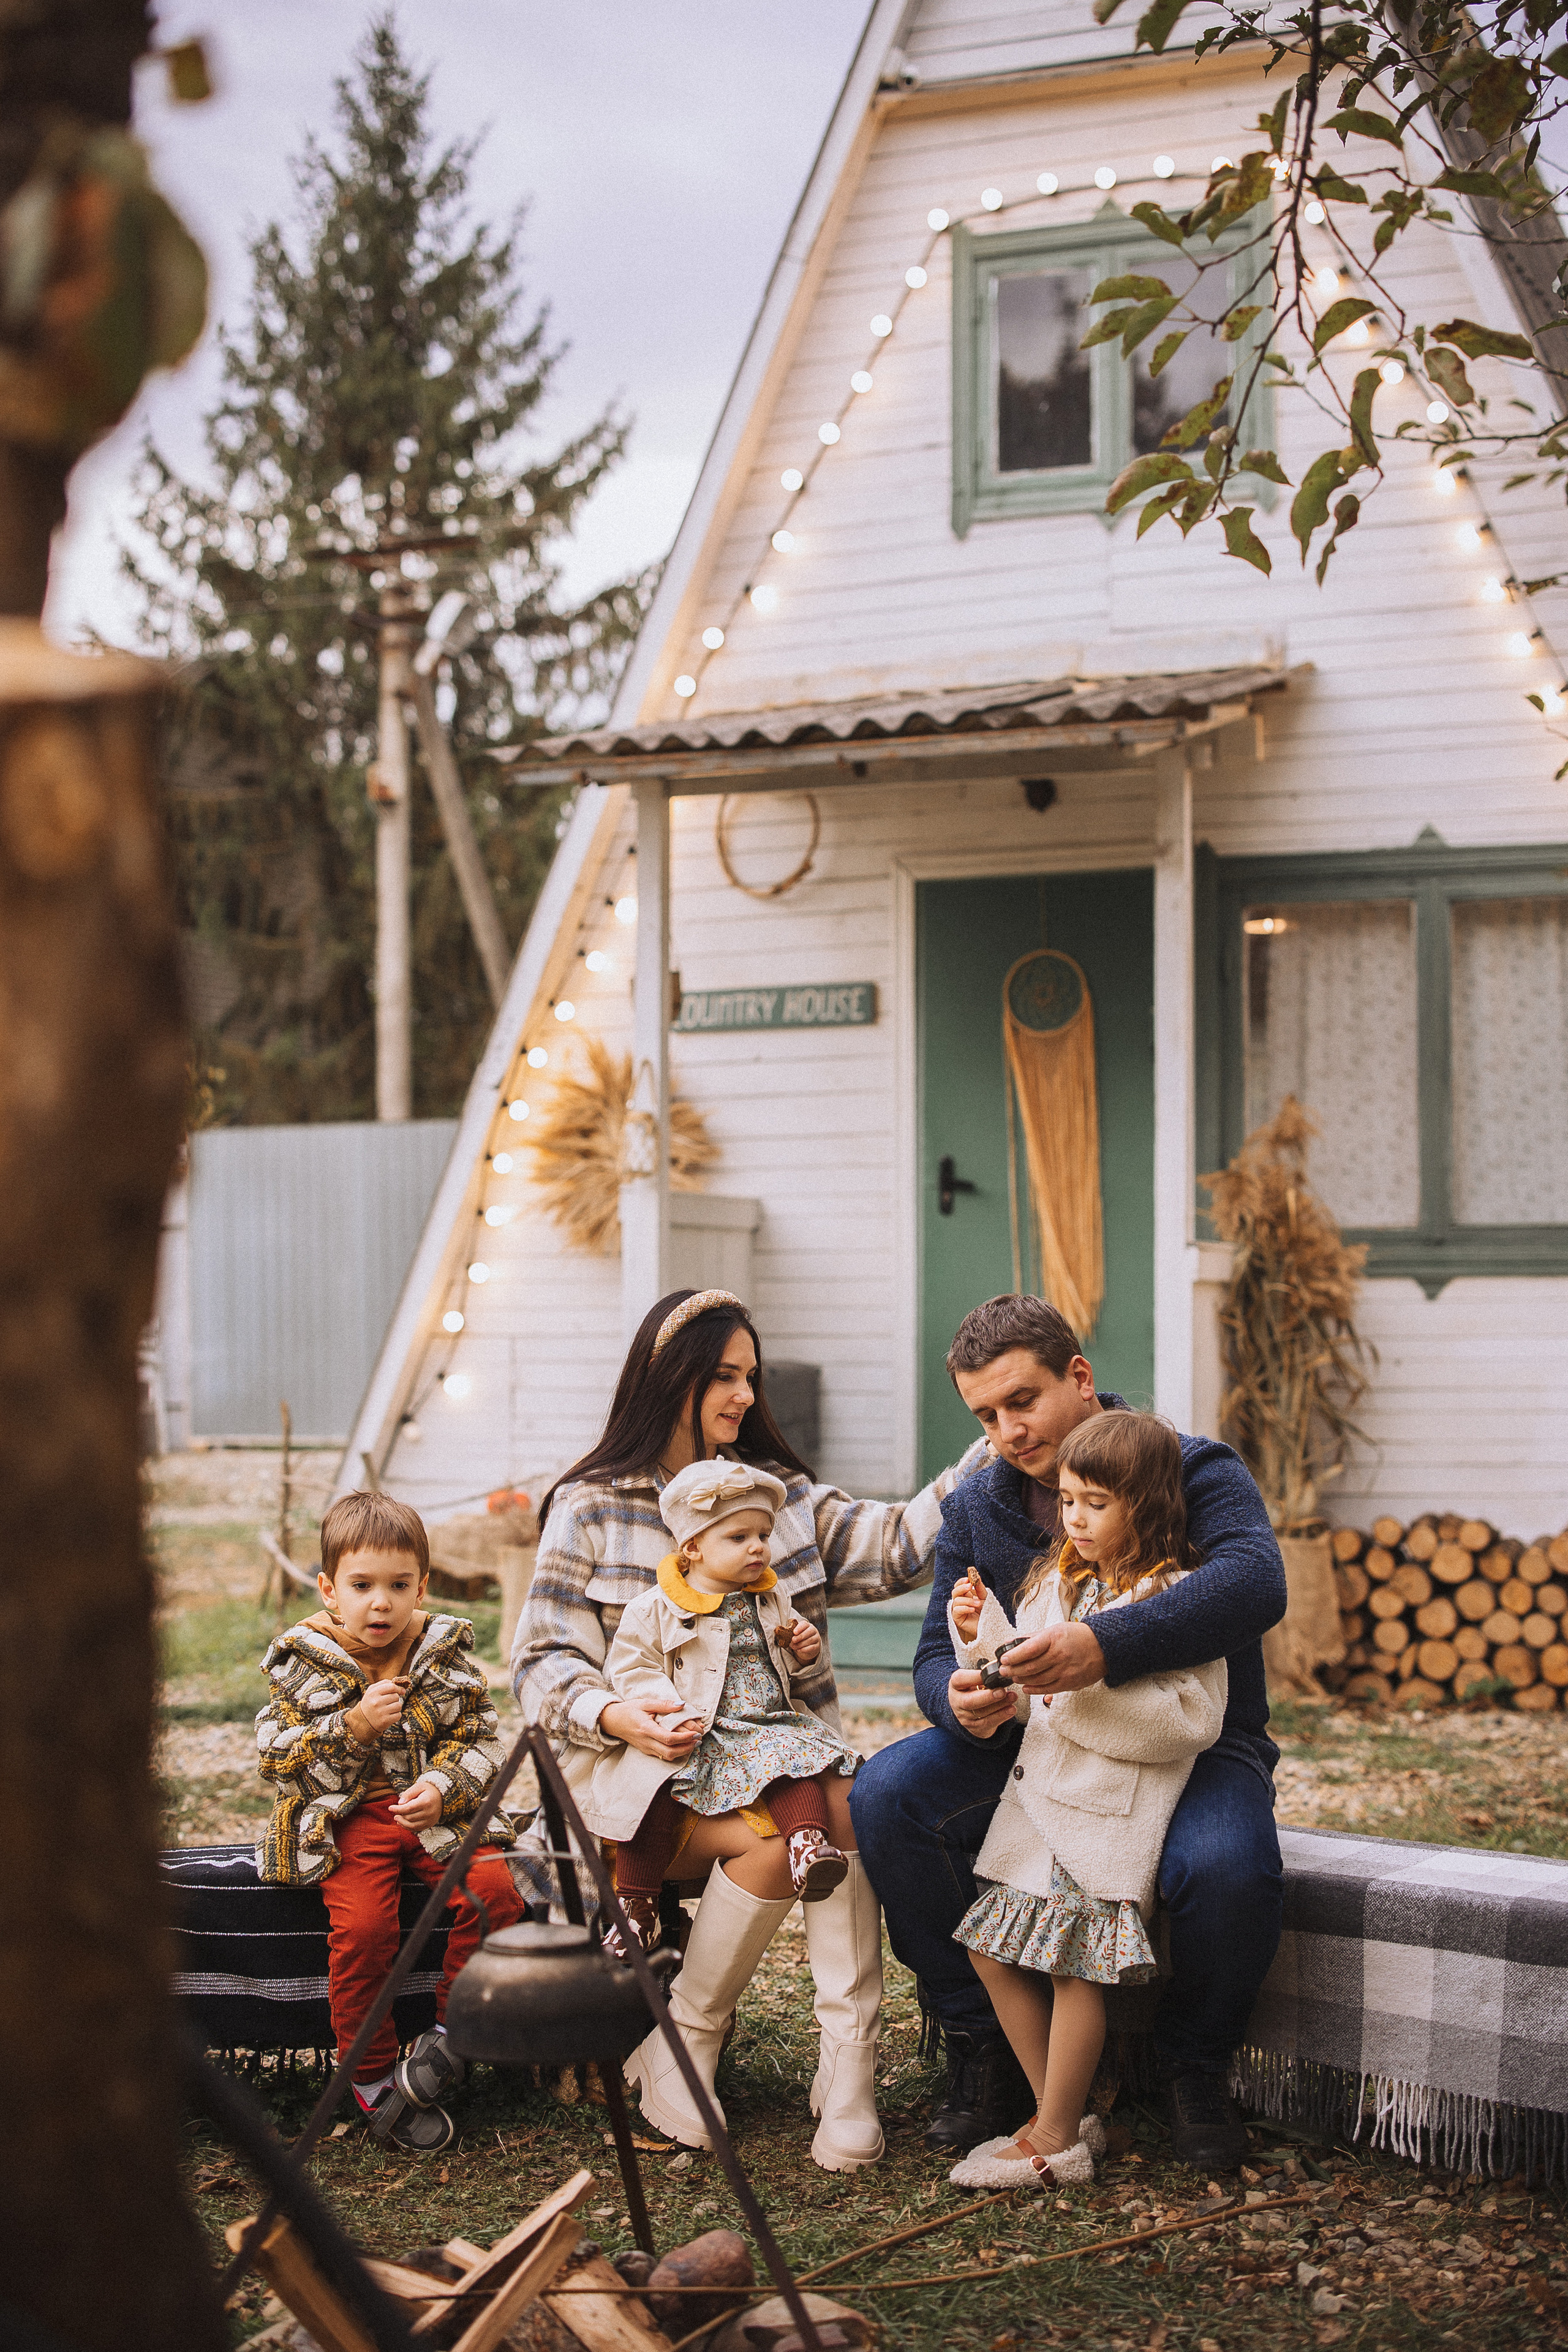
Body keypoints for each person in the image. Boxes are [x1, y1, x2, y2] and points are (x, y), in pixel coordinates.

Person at [512, 1284, 984, 2172]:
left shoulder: (784, 1502)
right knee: (785, 1835)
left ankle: (847, 2073)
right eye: (723, 1377)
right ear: (669, 1380)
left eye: (750, 1377)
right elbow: (539, 1663)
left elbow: (898, 1544)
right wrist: (617, 1713)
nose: (742, 1396)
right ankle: (684, 2038)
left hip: (772, 1764)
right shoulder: (593, 1506)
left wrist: (993, 1437)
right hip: (640, 1788)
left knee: (846, 1807)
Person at [850, 1294, 1286, 2173]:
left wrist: (1105, 1644)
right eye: (986, 1415)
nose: (1007, 1430)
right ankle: (987, 2052)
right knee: (886, 1793)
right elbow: (940, 1647)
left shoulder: (1190, 1467)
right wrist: (958, 1695)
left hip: (1192, 1746)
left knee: (1229, 1865)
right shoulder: (979, 1505)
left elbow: (1255, 1583)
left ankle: (1193, 2063)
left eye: (1023, 1401)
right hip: (1036, 1743)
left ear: (1079, 1378)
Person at [942, 1411, 1226, 2188]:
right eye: (1067, 1501)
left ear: (1148, 1502)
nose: (1074, 1518)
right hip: (1039, 1810)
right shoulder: (1062, 1580)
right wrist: (980, 1633)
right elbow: (1022, 1669)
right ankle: (1057, 2115)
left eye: (1094, 1503)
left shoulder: (1175, 1595)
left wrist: (1078, 1686)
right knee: (987, 1949)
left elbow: (1188, 1721)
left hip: (1104, 1817)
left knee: (1073, 1969)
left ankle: (1053, 2137)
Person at [256, 1490, 524, 2153]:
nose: (381, 1602)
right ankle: (372, 2075)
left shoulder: (442, 1654)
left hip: (433, 1814)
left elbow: (483, 1739)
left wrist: (442, 1783)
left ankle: (449, 2039)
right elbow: (275, 1756)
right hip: (346, 1820)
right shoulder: (301, 1661)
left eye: (399, 1586)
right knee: (366, 1930)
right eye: (362, 1585)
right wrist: (350, 1728)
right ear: (329, 1589)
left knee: (496, 1894)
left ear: (421, 1587)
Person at [585, 1459, 862, 1957]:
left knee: (791, 1762)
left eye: (763, 1534)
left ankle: (807, 1845)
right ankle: (637, 1908)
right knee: (648, 1794)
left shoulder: (772, 1597)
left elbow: (788, 1661)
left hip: (762, 1722)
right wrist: (666, 1708)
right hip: (691, 1726)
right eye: (739, 1537)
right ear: (692, 1548)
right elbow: (630, 1667)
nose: (759, 1547)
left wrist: (804, 1648)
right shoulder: (655, 1607)